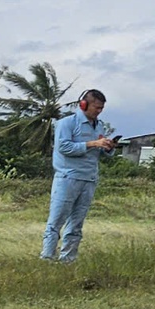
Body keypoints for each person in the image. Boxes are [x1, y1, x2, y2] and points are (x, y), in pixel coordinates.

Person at [41, 88, 116, 263]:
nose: (99, 111)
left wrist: (107, 147)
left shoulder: (100, 125)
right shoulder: (66, 123)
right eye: (96, 107)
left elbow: (100, 151)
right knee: (56, 220)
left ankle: (68, 259)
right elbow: (64, 147)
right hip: (68, 178)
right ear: (84, 104)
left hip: (89, 179)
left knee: (76, 223)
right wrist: (92, 143)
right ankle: (47, 257)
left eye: (102, 108)